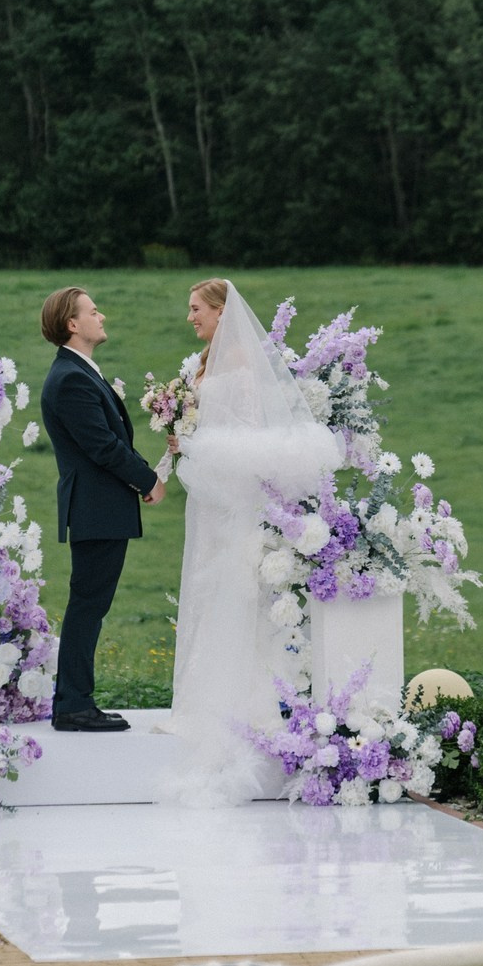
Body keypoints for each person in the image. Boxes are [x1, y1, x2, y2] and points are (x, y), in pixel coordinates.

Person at [159, 280, 336, 806]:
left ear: (220, 311)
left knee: (233, 590)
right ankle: (196, 699)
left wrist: (192, 441)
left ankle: (243, 700)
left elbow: (248, 435)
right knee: (205, 586)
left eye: (196, 309)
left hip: (232, 498)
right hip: (207, 499)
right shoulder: (202, 361)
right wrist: (179, 433)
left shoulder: (239, 362)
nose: (190, 317)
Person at [36, 288, 161, 733]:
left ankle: (74, 701)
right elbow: (103, 446)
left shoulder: (79, 372)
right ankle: (73, 705)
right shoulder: (70, 378)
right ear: (73, 324)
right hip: (96, 507)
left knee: (90, 604)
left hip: (100, 507)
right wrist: (148, 479)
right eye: (92, 311)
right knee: (88, 605)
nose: (101, 315)